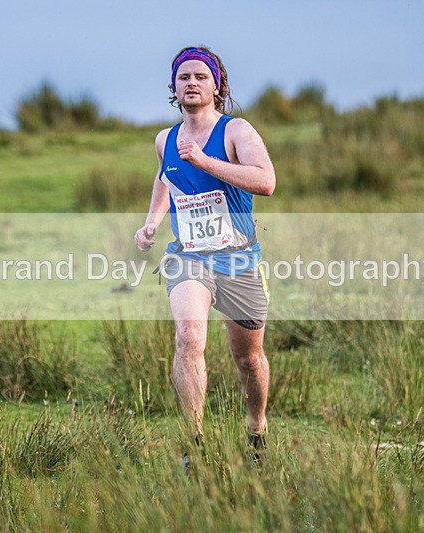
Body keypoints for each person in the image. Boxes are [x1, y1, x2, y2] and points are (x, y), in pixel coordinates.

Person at [134, 46, 276, 456]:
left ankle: (256, 428)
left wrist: (206, 161)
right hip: (189, 256)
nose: (191, 83)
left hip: (238, 258)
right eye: (183, 77)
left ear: (217, 86)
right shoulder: (165, 139)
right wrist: (152, 223)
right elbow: (166, 180)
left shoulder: (236, 132)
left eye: (200, 77)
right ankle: (193, 445)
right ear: (173, 88)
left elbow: (266, 181)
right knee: (189, 336)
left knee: (248, 360)